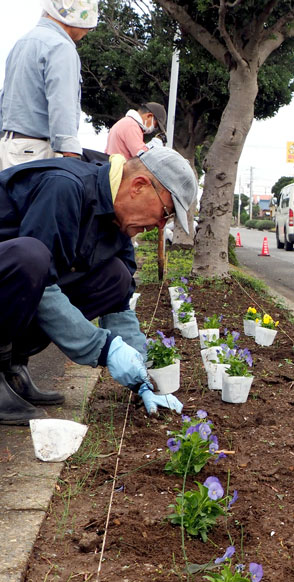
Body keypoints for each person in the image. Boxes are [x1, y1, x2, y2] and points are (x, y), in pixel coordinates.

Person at [0, 147, 197, 425]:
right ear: (139, 186)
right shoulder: (66, 187)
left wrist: (142, 374)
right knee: (32, 258)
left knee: (116, 277)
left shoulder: (117, 224)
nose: (160, 225)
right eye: (165, 212)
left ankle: (12, 367)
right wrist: (104, 348)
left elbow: (120, 302)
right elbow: (41, 284)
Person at [0, 0, 99, 170]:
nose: (89, 30)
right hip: (37, 151)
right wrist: (71, 155)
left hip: (9, 146)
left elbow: (5, 97)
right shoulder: (61, 46)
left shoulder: (22, 42)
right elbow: (62, 103)